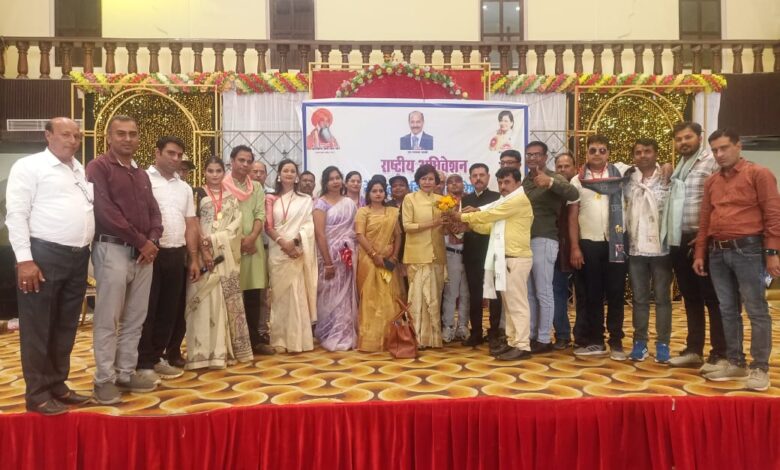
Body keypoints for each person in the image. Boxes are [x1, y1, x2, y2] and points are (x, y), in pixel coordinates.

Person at [6, 117, 94, 415]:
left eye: (77, 136)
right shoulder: (30, 167)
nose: (72, 141)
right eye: (65, 135)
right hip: (42, 256)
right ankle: (37, 393)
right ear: (48, 135)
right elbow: (16, 214)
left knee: (65, 325)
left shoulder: (78, 168)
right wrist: (25, 260)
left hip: (77, 257)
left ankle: (57, 384)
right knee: (38, 327)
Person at [693, 129, 780, 391]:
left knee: (756, 310)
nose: (719, 154)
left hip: (749, 250)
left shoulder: (759, 174)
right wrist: (700, 252)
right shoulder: (712, 181)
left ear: (738, 146)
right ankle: (735, 362)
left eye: (724, 148)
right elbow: (705, 220)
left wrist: (773, 253)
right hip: (717, 251)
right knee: (728, 310)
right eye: (715, 150)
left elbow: (773, 215)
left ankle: (760, 368)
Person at [87, 115, 162, 404]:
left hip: (144, 255)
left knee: (135, 318)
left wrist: (153, 240)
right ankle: (104, 379)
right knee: (108, 318)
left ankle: (125, 372)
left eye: (132, 133)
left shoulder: (141, 174)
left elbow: (154, 212)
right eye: (121, 133)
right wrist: (142, 241)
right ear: (109, 137)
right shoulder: (99, 167)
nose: (127, 138)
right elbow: (105, 212)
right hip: (113, 249)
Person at [136, 137, 201, 384]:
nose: (175, 159)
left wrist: (193, 258)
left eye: (179, 155)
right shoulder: (143, 179)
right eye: (171, 153)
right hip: (150, 253)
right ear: (157, 153)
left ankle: (157, 357)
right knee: (147, 309)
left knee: (169, 310)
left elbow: (191, 223)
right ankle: (142, 362)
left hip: (176, 252)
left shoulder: (184, 188)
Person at [453, 167, 534, 361]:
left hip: (515, 258)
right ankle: (513, 342)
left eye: (507, 182)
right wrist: (470, 226)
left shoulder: (517, 200)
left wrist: (461, 216)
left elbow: (488, 215)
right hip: (505, 259)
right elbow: (490, 227)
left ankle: (522, 345)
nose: (503, 186)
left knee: (517, 305)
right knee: (510, 305)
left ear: (518, 183)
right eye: (500, 182)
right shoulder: (506, 201)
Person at [664, 121, 726, 371]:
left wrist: (706, 233)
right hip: (680, 239)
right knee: (690, 297)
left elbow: (721, 200)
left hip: (703, 240)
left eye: (688, 137)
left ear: (699, 138)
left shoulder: (711, 162)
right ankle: (694, 350)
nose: (683, 142)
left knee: (713, 298)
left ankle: (720, 353)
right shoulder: (679, 167)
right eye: (679, 139)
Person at [185, 157, 254, 369]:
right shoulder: (196, 194)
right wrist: (204, 247)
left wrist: (215, 239)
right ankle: (201, 353)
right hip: (202, 255)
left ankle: (223, 351)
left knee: (225, 302)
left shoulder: (232, 197)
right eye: (210, 171)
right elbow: (193, 223)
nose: (214, 175)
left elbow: (236, 225)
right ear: (204, 173)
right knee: (204, 302)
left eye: (218, 171)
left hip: (225, 256)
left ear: (224, 173)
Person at [568, 135, 630, 361]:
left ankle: (616, 341)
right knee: (592, 294)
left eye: (602, 150)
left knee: (616, 293)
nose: (597, 154)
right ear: (586, 153)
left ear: (608, 153)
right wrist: (575, 247)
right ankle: (596, 340)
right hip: (589, 243)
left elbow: (644, 167)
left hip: (617, 242)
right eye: (593, 150)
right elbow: (572, 217)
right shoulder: (578, 180)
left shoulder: (620, 175)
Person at [522, 141, 579, 355]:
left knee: (544, 291)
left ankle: (545, 338)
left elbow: (573, 194)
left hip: (545, 239)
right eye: (529, 155)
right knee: (530, 293)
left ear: (545, 157)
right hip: (524, 241)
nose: (532, 158)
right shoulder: (525, 182)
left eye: (537, 154)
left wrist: (550, 183)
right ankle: (533, 335)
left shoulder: (555, 177)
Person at [624, 139, 673, 363]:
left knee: (662, 298)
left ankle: (663, 343)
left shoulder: (667, 177)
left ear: (656, 154)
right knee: (640, 298)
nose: (643, 155)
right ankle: (640, 342)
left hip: (661, 249)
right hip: (636, 248)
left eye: (647, 151)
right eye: (638, 152)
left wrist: (669, 167)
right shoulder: (628, 178)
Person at [222, 146, 274, 355]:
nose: (245, 164)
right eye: (241, 160)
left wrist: (251, 238)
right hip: (229, 247)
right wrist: (238, 241)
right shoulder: (222, 185)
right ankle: (231, 343)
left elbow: (260, 214)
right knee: (231, 295)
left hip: (253, 247)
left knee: (253, 296)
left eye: (248, 161)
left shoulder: (257, 187)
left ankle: (254, 341)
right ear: (232, 161)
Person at [265, 159, 318, 353]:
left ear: (297, 176)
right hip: (278, 252)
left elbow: (309, 226)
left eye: (292, 171)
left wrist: (294, 242)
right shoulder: (271, 198)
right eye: (285, 170)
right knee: (280, 298)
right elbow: (268, 226)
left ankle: (299, 341)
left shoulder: (305, 200)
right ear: (279, 174)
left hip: (297, 252)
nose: (289, 173)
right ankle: (279, 339)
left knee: (297, 294)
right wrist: (283, 243)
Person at [313, 166, 358, 351]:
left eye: (338, 177)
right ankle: (328, 333)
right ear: (325, 182)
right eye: (331, 178)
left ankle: (345, 333)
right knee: (329, 294)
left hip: (347, 256)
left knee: (346, 296)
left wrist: (348, 246)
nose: (335, 181)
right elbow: (320, 234)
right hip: (328, 256)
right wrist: (328, 263)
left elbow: (354, 230)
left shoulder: (349, 203)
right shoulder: (320, 204)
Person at [355, 179, 402, 352]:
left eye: (381, 190)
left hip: (388, 261)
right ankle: (371, 340)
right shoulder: (363, 212)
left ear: (385, 193)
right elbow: (360, 235)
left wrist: (394, 256)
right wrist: (374, 255)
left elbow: (398, 235)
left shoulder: (392, 212)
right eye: (374, 191)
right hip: (369, 261)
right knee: (371, 299)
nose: (378, 194)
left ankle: (390, 338)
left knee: (389, 298)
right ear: (368, 193)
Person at [402, 164, 446, 349]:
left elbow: (444, 227)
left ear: (436, 182)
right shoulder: (410, 198)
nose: (427, 182)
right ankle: (417, 337)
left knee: (435, 298)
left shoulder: (442, 200)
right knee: (417, 299)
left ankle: (433, 338)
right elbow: (407, 226)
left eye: (431, 179)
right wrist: (433, 223)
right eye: (424, 178)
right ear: (418, 180)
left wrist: (453, 224)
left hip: (437, 254)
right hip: (417, 255)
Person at [460, 163, 503, 348]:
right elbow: (463, 225)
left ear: (488, 177)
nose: (478, 178)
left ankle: (494, 333)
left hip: (492, 251)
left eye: (481, 175)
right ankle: (476, 332)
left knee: (494, 295)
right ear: (470, 178)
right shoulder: (465, 199)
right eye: (474, 175)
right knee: (475, 294)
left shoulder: (497, 198)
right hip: (471, 253)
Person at [551, 152, 584, 350]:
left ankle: (583, 336)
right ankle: (562, 335)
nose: (562, 170)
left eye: (566, 166)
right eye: (559, 166)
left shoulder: (583, 186)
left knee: (585, 294)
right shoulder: (551, 189)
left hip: (585, 246)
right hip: (559, 249)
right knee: (558, 293)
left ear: (575, 167)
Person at [441, 174, 470, 343]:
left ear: (463, 184)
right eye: (450, 183)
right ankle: (448, 326)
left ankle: (463, 326)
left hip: (470, 252)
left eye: (457, 181)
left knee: (466, 292)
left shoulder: (470, 201)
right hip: (451, 252)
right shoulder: (443, 203)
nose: (453, 185)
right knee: (451, 292)